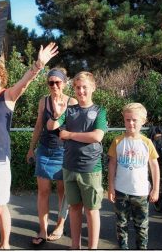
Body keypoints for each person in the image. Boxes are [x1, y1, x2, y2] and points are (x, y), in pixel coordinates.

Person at [0, 42, 59, 249]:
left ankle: (5, 245)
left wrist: (38, 65)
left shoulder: (8, 95)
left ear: (1, 77)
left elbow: (25, 82)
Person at [47, 71, 107, 249]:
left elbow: (97, 136)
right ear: (74, 89)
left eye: (84, 87)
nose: (81, 91)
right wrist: (56, 114)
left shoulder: (99, 111)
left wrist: (69, 135)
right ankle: (75, 246)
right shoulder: (69, 110)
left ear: (93, 88)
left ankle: (92, 248)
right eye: (78, 88)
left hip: (91, 168)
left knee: (91, 210)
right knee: (74, 208)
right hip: (69, 166)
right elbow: (52, 126)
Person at [26, 67, 77, 246]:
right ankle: (42, 228)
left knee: (63, 192)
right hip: (44, 150)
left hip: (64, 152)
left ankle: (60, 225)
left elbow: (73, 129)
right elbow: (39, 125)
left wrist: (59, 114)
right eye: (51, 82)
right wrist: (31, 148)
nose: (54, 85)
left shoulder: (72, 102)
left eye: (57, 82)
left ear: (64, 83)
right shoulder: (44, 101)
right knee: (43, 191)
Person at [107, 103, 160, 249]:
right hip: (121, 192)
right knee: (121, 225)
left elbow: (154, 166)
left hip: (141, 193)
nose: (130, 123)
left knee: (141, 227)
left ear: (143, 121)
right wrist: (111, 187)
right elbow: (112, 164)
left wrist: (155, 189)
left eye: (134, 120)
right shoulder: (117, 141)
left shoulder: (147, 143)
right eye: (127, 120)